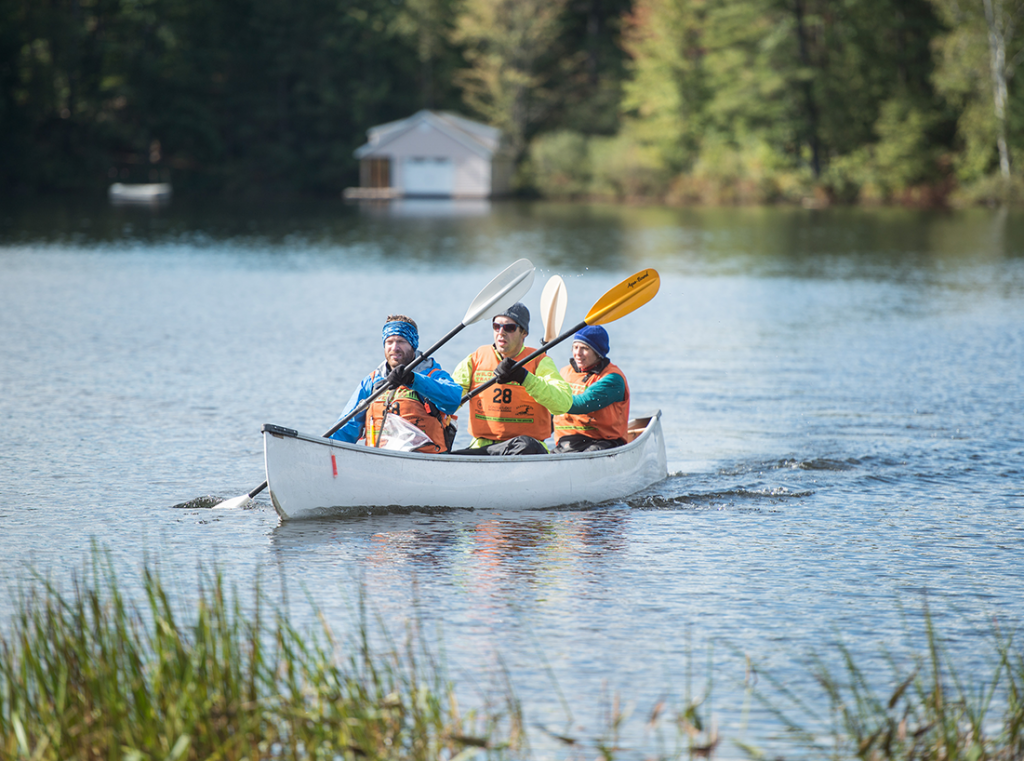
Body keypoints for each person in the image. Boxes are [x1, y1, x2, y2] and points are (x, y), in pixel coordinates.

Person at [451, 302, 572, 455]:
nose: (501, 332)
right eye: (496, 326)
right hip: (484, 448)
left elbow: (563, 404)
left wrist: (525, 378)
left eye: (509, 328)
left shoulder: (539, 361)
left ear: (524, 333)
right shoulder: (475, 359)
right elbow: (449, 398)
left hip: (525, 449)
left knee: (526, 444)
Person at [329, 315, 462, 453]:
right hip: (377, 460)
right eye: (389, 342)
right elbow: (347, 428)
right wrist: (325, 447)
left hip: (423, 461)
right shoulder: (372, 382)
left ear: (412, 345)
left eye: (401, 341)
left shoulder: (432, 374)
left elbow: (453, 400)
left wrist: (412, 379)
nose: (395, 347)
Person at [552, 325, 630, 453]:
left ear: (598, 353)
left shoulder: (613, 379)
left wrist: (548, 397)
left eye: (584, 348)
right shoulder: (564, 373)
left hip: (603, 442)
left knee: (590, 453)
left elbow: (583, 403)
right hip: (567, 443)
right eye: (575, 347)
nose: (577, 353)